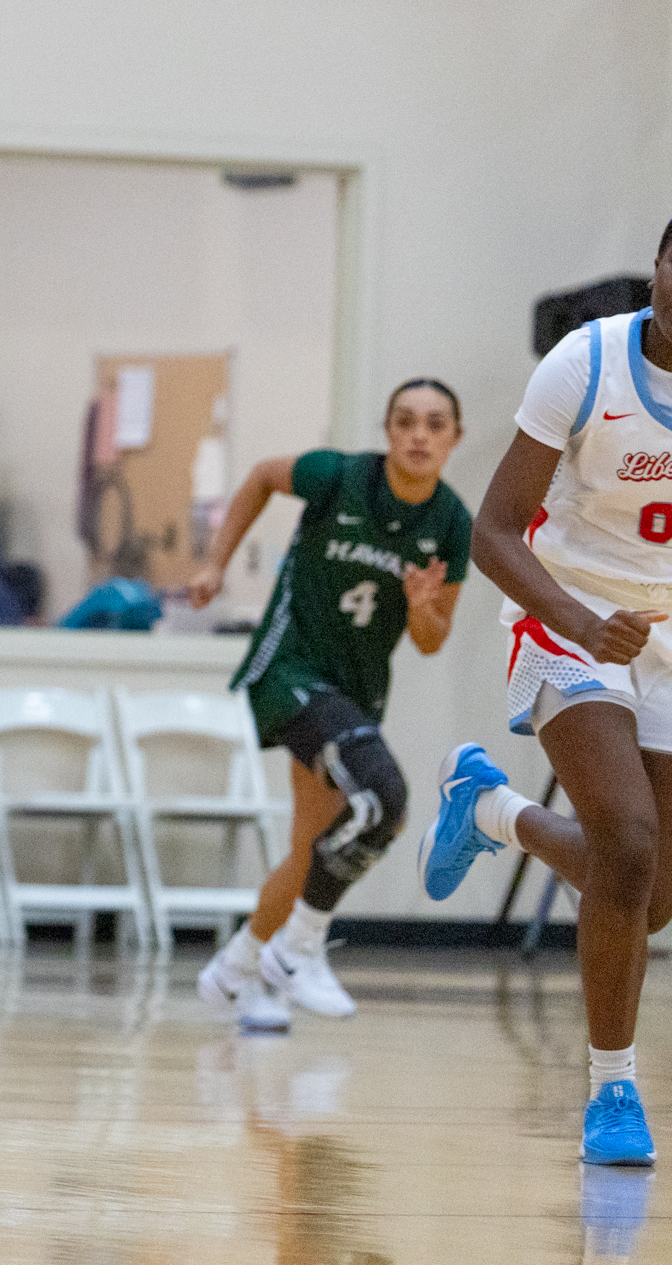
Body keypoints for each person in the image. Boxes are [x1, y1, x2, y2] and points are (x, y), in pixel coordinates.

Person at [420, 219, 672, 1166]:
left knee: (646, 897)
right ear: (658, 265)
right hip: (566, 615)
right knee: (629, 838)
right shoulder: (584, 362)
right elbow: (491, 532)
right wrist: (575, 620)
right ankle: (613, 1088)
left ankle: (492, 809)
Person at [189, 379, 470, 1031]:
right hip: (288, 670)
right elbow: (261, 476)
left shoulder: (453, 525)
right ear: (388, 430)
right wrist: (214, 565)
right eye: (406, 422)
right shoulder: (337, 476)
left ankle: (238, 969)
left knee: (311, 847)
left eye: (434, 424)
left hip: (355, 694)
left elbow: (431, 642)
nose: (419, 435)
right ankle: (298, 951)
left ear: (454, 437)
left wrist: (426, 608)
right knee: (383, 798)